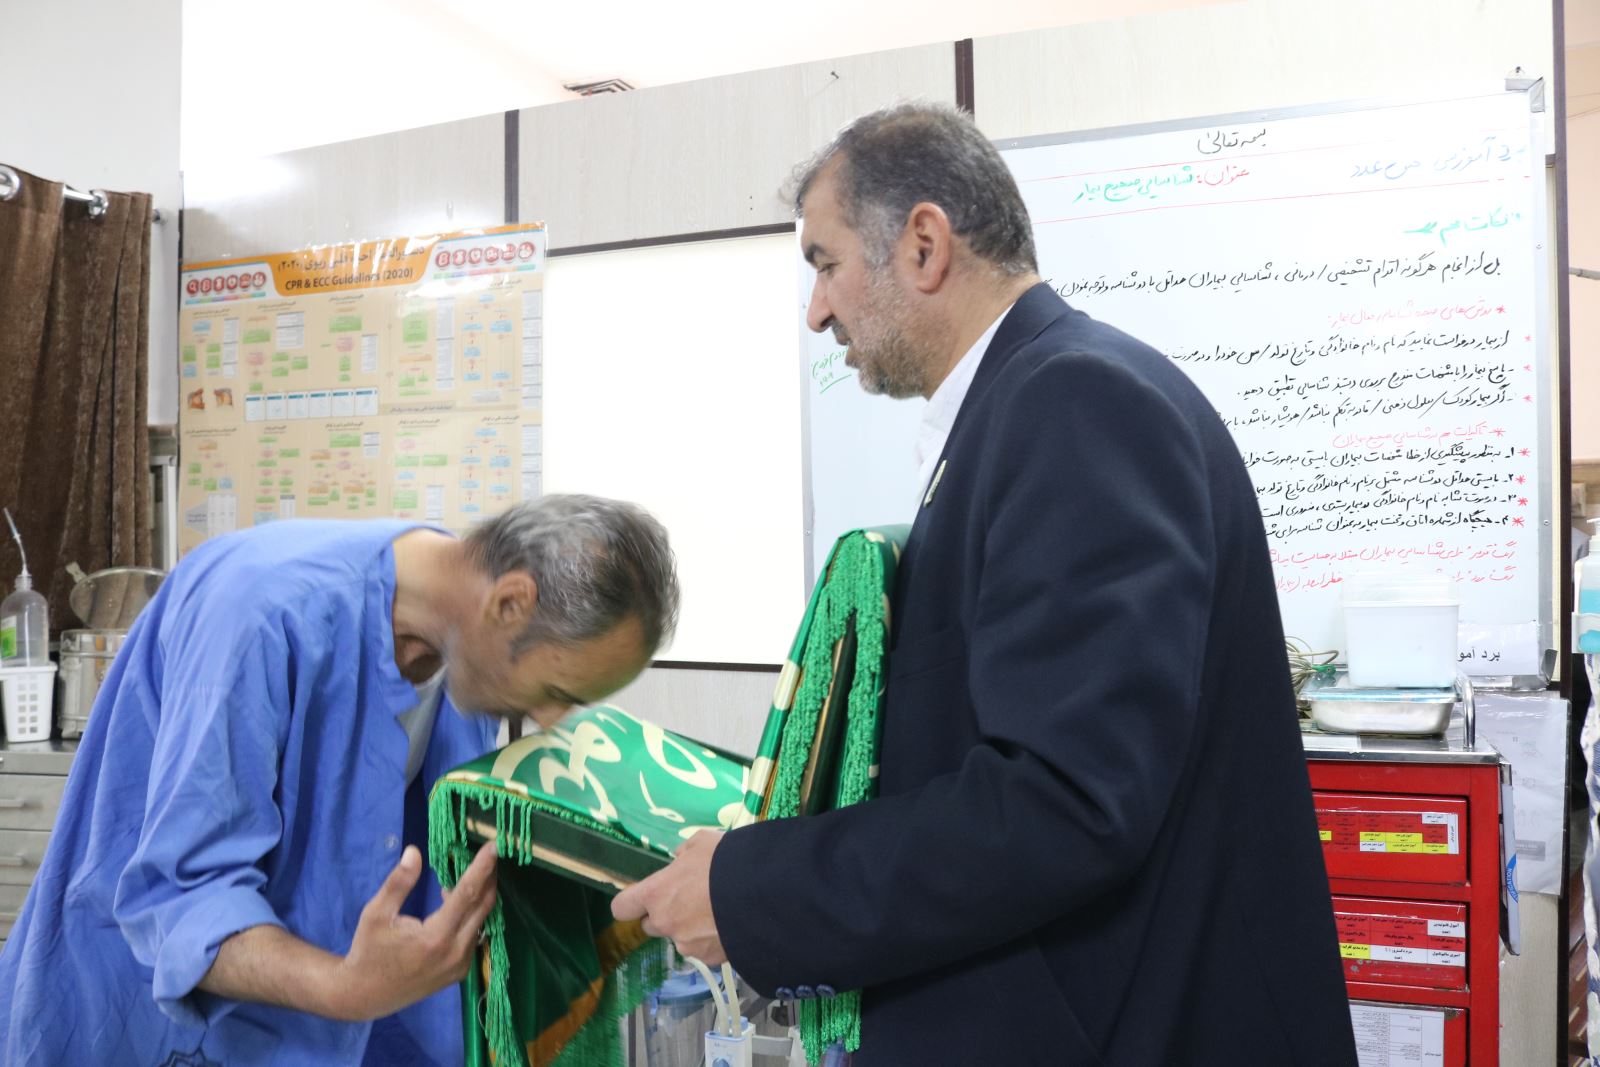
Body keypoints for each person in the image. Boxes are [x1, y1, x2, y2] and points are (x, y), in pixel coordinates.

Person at [613, 103, 1359, 1065]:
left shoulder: (1076, 403)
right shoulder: (1029, 403)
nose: (817, 310)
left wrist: (752, 891)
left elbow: (1063, 801)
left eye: (826, 264)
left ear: (924, 245)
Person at [0, 495, 679, 1066]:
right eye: (557, 690)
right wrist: (346, 987)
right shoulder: (261, 613)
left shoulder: (458, 645)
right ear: (510, 601)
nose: (552, 718)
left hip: (328, 1032)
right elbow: (179, 903)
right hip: (142, 1026)